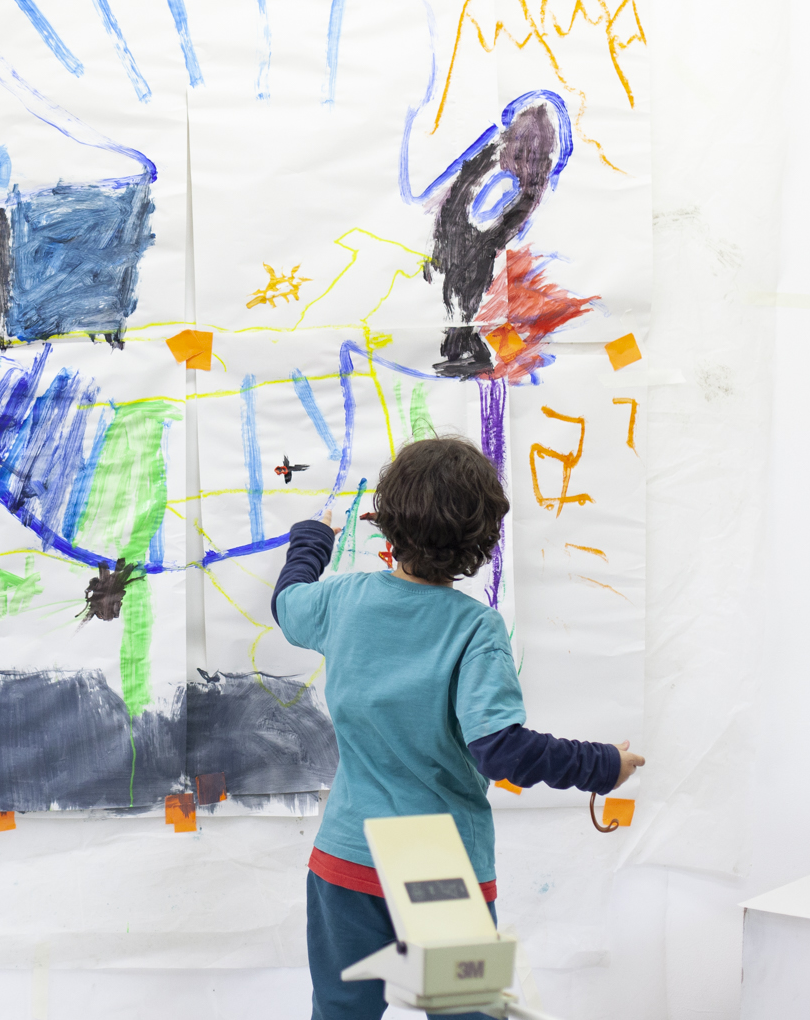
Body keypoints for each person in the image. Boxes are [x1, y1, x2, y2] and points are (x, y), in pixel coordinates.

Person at [273, 436, 642, 1020]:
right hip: (436, 864)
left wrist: (314, 538)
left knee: (340, 1013)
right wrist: (603, 765)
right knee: (466, 1012)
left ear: (384, 524)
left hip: (344, 856)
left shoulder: (342, 601)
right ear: (483, 541)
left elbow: (288, 601)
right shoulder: (475, 629)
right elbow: (500, 750)